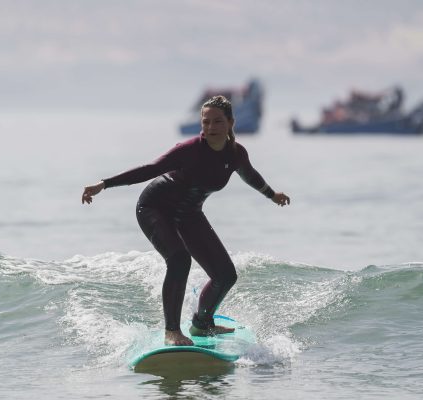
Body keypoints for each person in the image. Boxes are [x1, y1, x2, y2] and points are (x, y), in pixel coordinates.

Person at [82, 96, 290, 346]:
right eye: (206, 122)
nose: (211, 128)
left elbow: (250, 175)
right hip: (155, 207)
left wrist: (272, 194)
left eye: (217, 122)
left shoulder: (235, 153)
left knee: (225, 275)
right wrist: (104, 184)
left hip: (190, 213)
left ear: (231, 123)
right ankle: (171, 331)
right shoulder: (189, 150)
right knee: (179, 259)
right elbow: (150, 169)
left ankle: (202, 324)